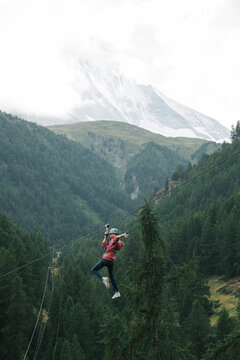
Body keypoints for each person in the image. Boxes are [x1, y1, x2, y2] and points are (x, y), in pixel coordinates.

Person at [91, 227, 128, 299]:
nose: (111, 235)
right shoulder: (114, 243)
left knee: (93, 270)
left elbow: (116, 238)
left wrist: (122, 235)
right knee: (111, 276)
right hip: (111, 261)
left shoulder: (115, 241)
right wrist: (106, 232)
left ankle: (103, 279)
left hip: (106, 259)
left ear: (115, 234)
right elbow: (103, 244)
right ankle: (117, 292)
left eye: (112, 234)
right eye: (110, 234)